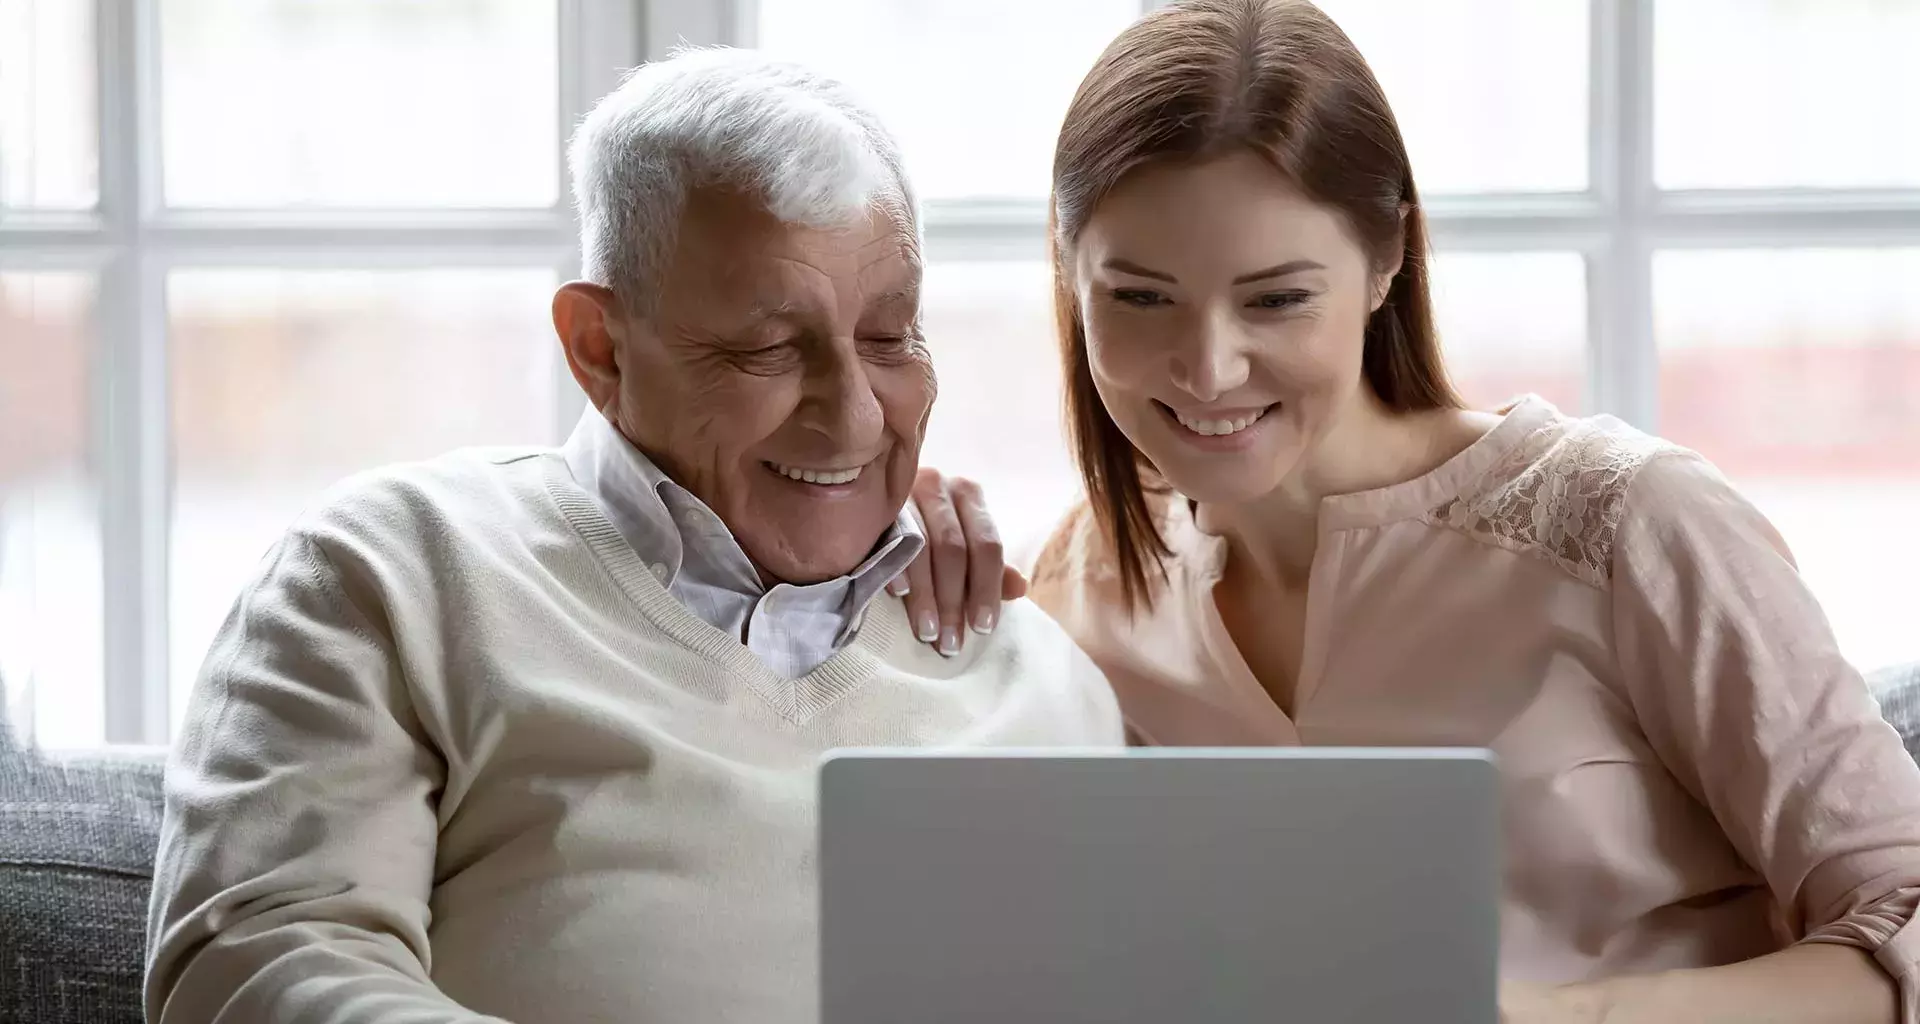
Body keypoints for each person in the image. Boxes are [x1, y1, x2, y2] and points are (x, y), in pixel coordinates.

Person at [907, 1, 1920, 1020]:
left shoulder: (1630, 525)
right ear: (1069, 272)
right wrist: (881, 558)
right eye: (1139, 297)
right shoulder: (1069, 591)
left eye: (1276, 299)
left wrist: (1551, 1017)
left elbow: (1905, 914)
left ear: (1387, 261)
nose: (1209, 367)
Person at [143, 48, 1123, 1024]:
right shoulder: (394, 575)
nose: (859, 419)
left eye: (888, 337)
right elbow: (255, 966)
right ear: (598, 349)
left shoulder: (1037, 674)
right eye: (770, 348)